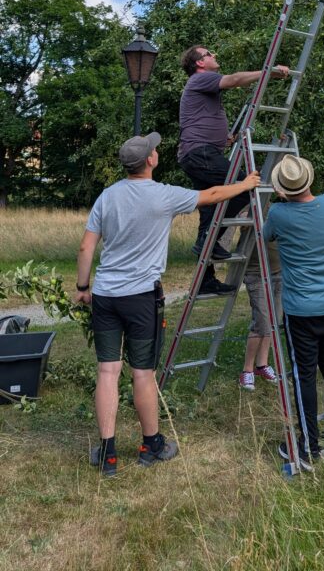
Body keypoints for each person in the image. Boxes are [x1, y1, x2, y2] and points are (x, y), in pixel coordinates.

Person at [75, 131, 261, 476]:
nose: (157, 151)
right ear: (149, 160)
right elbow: (215, 194)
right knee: (142, 373)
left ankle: (108, 453)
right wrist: (247, 183)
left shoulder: (107, 196)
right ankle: (152, 444)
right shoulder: (163, 196)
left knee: (107, 371)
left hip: (106, 295)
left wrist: (83, 287)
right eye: (154, 149)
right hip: (141, 296)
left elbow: (86, 248)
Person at [177, 45, 290, 292]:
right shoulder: (201, 79)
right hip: (200, 154)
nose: (214, 55)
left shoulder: (200, 83)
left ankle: (205, 280)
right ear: (199, 63)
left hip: (201, 153)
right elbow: (236, 80)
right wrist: (268, 72)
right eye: (208, 54)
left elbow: (199, 120)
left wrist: (223, 139)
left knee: (208, 212)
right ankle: (208, 241)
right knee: (244, 187)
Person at [263, 154, 324, 471]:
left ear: (282, 189)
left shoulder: (278, 213)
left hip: (301, 311)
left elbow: (264, 237)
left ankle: (309, 448)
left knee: (303, 377)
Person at [239, 238, 282, 390]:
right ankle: (247, 370)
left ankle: (261, 365)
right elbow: (241, 219)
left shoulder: (279, 212)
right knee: (261, 322)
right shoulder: (252, 212)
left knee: (273, 322)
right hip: (256, 272)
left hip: (278, 271)